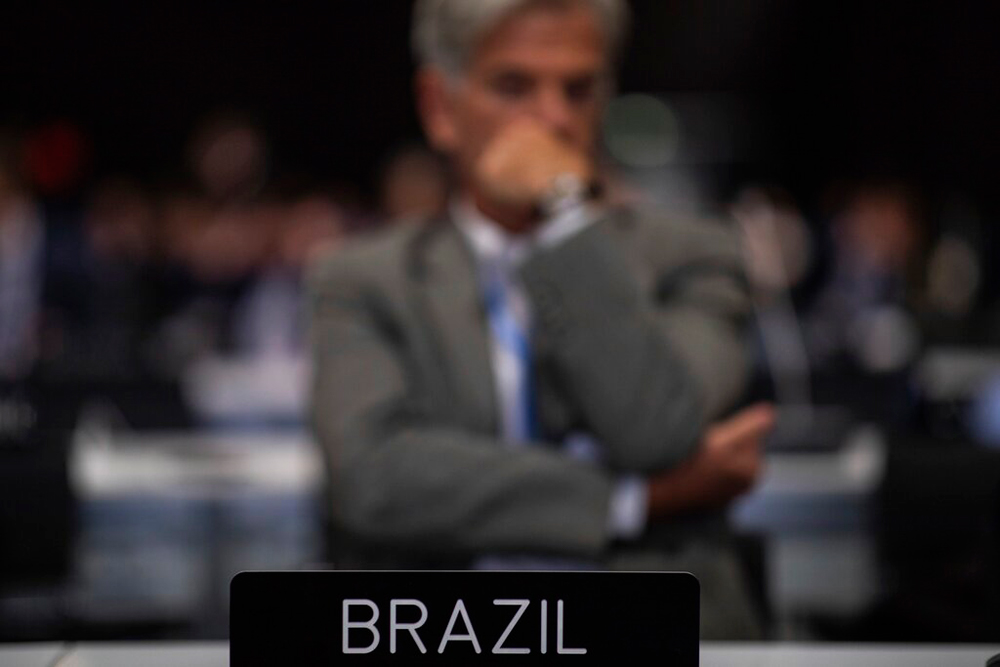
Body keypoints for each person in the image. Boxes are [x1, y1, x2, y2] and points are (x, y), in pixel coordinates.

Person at [308, 0, 774, 639]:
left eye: (578, 89)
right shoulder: (364, 280)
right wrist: (635, 499)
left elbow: (656, 431)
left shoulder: (697, 255)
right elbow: (376, 481)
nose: (554, 117)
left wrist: (565, 218)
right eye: (513, 85)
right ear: (440, 107)